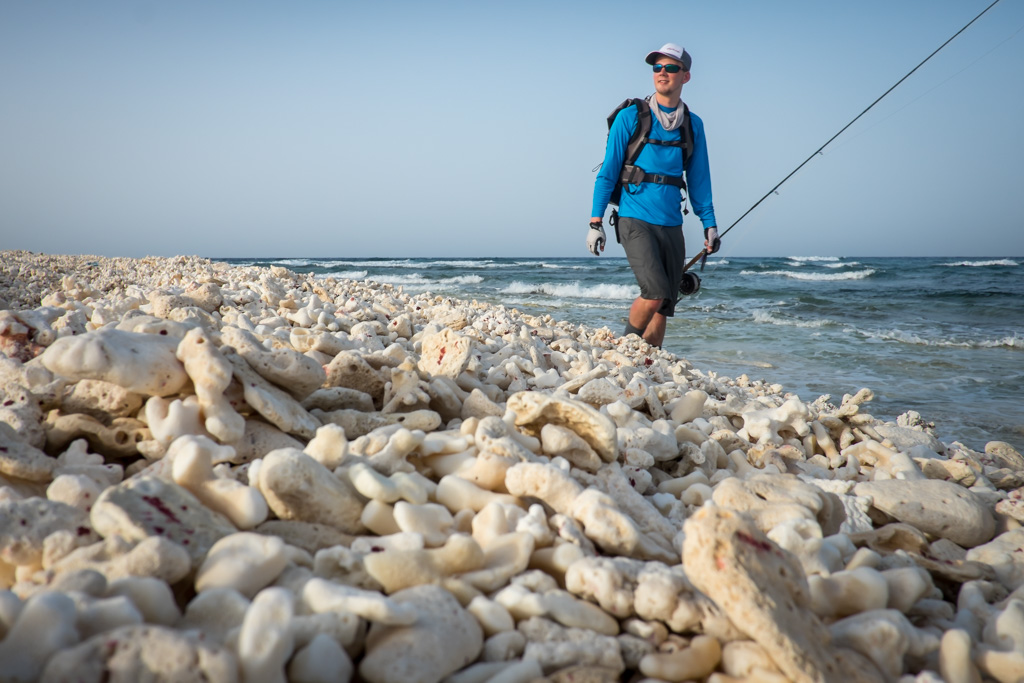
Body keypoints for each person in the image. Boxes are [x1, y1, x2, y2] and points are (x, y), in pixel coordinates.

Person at [588, 42, 718, 348]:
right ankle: (622, 350)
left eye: (671, 67)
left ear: (685, 76)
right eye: (657, 67)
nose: (662, 73)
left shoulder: (693, 125)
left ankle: (650, 363)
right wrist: (595, 222)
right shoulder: (631, 116)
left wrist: (709, 225)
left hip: (672, 223)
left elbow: (700, 180)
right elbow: (608, 171)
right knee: (655, 293)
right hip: (634, 219)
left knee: (665, 306)